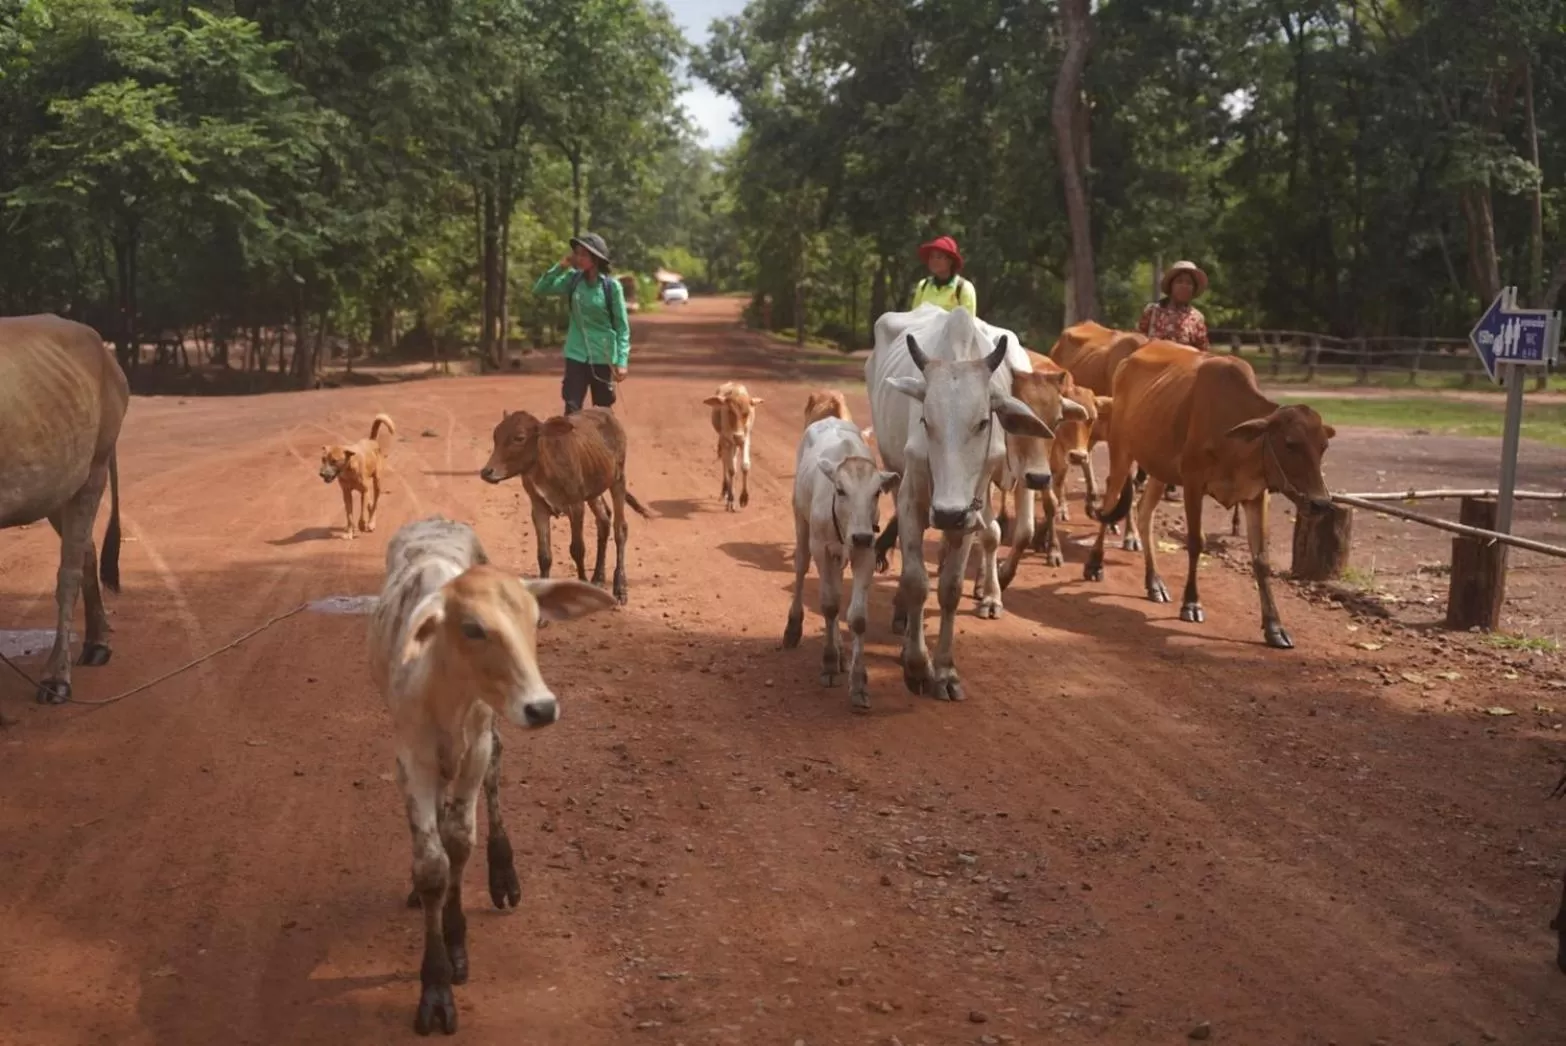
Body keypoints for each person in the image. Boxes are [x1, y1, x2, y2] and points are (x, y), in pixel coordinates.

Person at [533, 232, 630, 415]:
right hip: (576, 353)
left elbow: (622, 328)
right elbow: (540, 289)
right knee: (572, 409)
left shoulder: (611, 288)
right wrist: (560, 267)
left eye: (584, 254)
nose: (578, 258)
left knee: (602, 412)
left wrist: (622, 361)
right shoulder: (572, 280)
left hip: (603, 356)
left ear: (596, 258)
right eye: (576, 253)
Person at [1136, 259, 1210, 351]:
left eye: (1189, 283)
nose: (1184, 286)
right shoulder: (1152, 312)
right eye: (1179, 281)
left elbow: (1202, 352)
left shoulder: (1197, 319)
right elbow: (1138, 343)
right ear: (1171, 286)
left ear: (1193, 289)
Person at [909, 235, 978, 314]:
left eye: (939, 257)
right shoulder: (923, 286)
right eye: (931, 257)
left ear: (950, 261)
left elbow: (968, 323)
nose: (934, 260)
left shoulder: (964, 288)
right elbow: (914, 317)